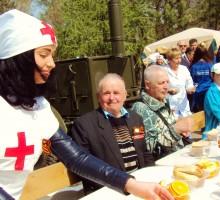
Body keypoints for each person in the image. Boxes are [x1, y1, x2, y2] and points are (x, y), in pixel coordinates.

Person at [0, 9, 173, 200]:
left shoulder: (39, 106)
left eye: (52, 54)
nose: (52, 63)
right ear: (17, 58)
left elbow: (76, 157)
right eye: (43, 54)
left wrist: (130, 184)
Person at [70, 74, 155, 195]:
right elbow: (85, 166)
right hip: (108, 190)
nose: (112, 97)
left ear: (125, 95)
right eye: (106, 93)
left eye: (116, 93)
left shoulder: (136, 119)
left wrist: (152, 176)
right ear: (98, 97)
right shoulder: (84, 125)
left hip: (139, 185)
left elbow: (144, 152)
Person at [131, 65, 194, 160]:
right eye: (161, 83)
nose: (166, 87)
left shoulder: (162, 101)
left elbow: (165, 129)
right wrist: (176, 130)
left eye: (167, 82)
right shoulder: (140, 109)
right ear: (148, 85)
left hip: (178, 157)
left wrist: (181, 131)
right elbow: (148, 148)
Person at [165, 48, 195, 118]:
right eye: (176, 58)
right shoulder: (164, 70)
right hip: (171, 105)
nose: (179, 60)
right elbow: (161, 88)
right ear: (169, 59)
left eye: (180, 58)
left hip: (183, 105)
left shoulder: (184, 69)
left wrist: (191, 89)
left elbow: (189, 83)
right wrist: (168, 91)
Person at [190, 46, 214, 112]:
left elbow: (192, 80)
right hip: (209, 92)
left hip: (198, 94)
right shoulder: (210, 65)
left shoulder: (194, 67)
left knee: (201, 114)